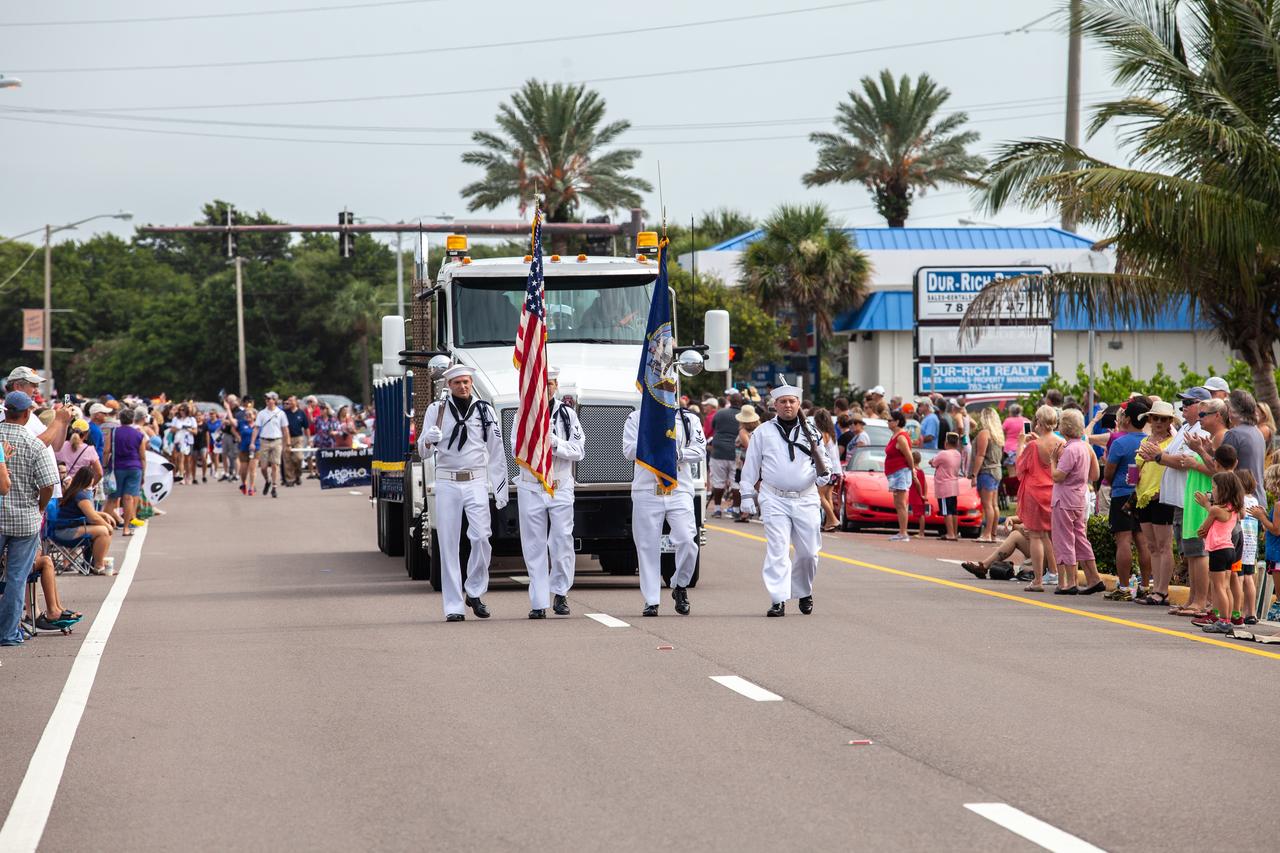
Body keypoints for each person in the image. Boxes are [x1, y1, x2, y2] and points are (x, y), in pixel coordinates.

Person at [738, 383, 840, 616]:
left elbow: (824, 464)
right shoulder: (763, 432)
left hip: (805, 498)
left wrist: (824, 475)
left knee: (808, 553)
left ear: (798, 405)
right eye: (783, 401)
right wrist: (746, 493)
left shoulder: (811, 431)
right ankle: (778, 598)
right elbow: (751, 465)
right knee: (778, 549)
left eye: (792, 401)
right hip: (774, 497)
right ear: (775, 405)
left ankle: (803, 591)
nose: (787, 405)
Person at [417, 365, 508, 621]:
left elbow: (496, 450)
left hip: (476, 480)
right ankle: (454, 605)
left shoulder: (483, 410)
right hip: (447, 480)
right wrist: (428, 439)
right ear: (449, 385)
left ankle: (475, 590)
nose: (463, 387)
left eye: (466, 382)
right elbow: (423, 452)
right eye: (457, 383)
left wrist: (500, 488)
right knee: (448, 543)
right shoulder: (437, 410)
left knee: (481, 537)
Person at [623, 398, 705, 617]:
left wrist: (676, 453)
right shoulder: (636, 418)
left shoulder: (688, 419)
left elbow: (700, 450)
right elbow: (628, 450)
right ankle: (651, 600)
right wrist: (653, 446)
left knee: (688, 540)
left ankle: (679, 585)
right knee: (647, 546)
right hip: (647, 490)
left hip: (678, 489)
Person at [517, 368, 584, 619]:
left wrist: (555, 444)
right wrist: (537, 443)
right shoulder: (523, 415)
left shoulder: (567, 415)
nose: (547, 388)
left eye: (552, 383)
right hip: (532, 484)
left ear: (557, 386)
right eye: (543, 383)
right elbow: (517, 447)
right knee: (533, 544)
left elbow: (579, 451)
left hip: (560, 485)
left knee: (562, 540)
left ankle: (560, 593)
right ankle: (538, 601)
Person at [1140, 387, 1210, 610]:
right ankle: (1193, 599)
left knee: (1196, 552)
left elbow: (1183, 460)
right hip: (1179, 500)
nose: (1184, 407)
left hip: (1191, 498)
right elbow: (1170, 455)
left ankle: (1202, 601)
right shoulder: (1186, 428)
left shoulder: (1202, 430)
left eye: (1188, 403)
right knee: (1188, 552)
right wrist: (1158, 456)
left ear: (1202, 406)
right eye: (1183, 404)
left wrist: (1158, 456)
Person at [0, 391, 55, 646]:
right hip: (24, 518)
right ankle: (8, 633)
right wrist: (40, 507)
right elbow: (47, 485)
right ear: (27, 413)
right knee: (16, 578)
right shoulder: (34, 444)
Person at [1048, 409, 1103, 595]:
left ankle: (1070, 582)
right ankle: (1094, 578)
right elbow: (1094, 475)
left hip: (1064, 499)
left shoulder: (1069, 449)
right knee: (1080, 538)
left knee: (1064, 539)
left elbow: (1057, 476)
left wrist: (1053, 461)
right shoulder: (1085, 447)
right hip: (1079, 497)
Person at [1130, 400, 1179, 606]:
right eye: (1155, 418)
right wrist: (1134, 479)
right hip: (1143, 495)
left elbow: (1175, 466)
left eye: (1163, 419)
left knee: (1163, 545)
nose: (1158, 422)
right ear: (1149, 419)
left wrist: (1161, 490)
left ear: (1170, 421)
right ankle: (1155, 588)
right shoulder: (1146, 440)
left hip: (1162, 496)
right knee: (1152, 545)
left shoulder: (1174, 441)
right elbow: (1138, 467)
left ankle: (1162, 590)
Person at [1104, 397, 1153, 600]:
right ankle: (1145, 585)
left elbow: (1107, 474)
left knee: (1123, 540)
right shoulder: (1150, 442)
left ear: (1128, 419)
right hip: (1143, 494)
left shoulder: (1120, 443)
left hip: (1121, 494)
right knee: (1143, 541)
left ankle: (1124, 587)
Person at [1016, 406, 1062, 589]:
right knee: (1050, 535)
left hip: (1035, 493)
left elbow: (1020, 467)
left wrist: (1021, 444)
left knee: (1036, 535)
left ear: (1039, 423)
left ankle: (1038, 580)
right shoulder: (1060, 442)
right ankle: (1055, 572)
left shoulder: (1033, 445)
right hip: (1054, 491)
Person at [1194, 471, 1245, 634]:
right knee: (1226, 586)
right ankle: (1228, 618)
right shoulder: (1234, 509)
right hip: (1230, 549)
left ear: (1223, 490)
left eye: (1214, 487)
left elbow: (1203, 529)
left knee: (1218, 586)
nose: (1212, 491)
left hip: (1218, 549)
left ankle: (1223, 620)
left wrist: (1205, 506)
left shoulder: (1216, 510)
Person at [51, 466, 116, 574]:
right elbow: (92, 517)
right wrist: (107, 525)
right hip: (65, 532)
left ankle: (90, 563)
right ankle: (99, 566)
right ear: (89, 479)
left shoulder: (76, 491)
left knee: (103, 528)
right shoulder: (81, 495)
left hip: (66, 528)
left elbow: (88, 512)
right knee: (104, 531)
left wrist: (104, 514)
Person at [106, 407, 147, 533]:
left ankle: (105, 525)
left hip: (117, 467)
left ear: (120, 419)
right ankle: (126, 528)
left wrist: (104, 466)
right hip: (134, 467)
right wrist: (143, 474)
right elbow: (143, 456)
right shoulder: (139, 434)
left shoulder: (113, 432)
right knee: (128, 498)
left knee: (113, 498)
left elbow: (106, 450)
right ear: (133, 419)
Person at [971, 408, 1004, 543]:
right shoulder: (998, 434)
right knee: (994, 505)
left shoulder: (985, 433)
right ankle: (993, 533)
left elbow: (980, 455)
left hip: (986, 471)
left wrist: (974, 474)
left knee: (987, 505)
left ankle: (986, 534)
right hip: (996, 470)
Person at [708, 394, 742, 519]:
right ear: (741, 402)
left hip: (719, 451)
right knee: (736, 482)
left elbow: (713, 427)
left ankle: (717, 509)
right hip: (736, 453)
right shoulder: (742, 416)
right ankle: (736, 510)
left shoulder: (720, 413)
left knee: (718, 482)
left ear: (729, 400)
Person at [254, 392, 290, 499]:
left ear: (274, 400)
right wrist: (252, 442)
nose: (268, 400)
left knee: (275, 465)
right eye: (266, 399)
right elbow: (256, 428)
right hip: (264, 441)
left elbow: (285, 429)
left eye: (269, 398)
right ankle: (267, 480)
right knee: (263, 467)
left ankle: (274, 487)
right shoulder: (261, 413)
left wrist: (287, 442)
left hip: (277, 441)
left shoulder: (280, 413)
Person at [930, 433, 964, 541]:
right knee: (953, 511)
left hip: (944, 486)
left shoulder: (943, 453)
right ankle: (954, 532)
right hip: (954, 485)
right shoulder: (958, 454)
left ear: (946, 442)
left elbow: (934, 463)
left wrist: (931, 461)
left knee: (946, 511)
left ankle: (950, 534)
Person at [813, 408, 840, 532]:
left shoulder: (822, 434)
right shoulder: (832, 433)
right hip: (836, 470)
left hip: (828, 470)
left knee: (819, 496)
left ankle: (833, 519)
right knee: (828, 496)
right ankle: (830, 523)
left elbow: (819, 450)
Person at [733, 404, 761, 523]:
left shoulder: (743, 431)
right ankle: (749, 511)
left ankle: (745, 512)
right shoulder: (760, 428)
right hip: (760, 460)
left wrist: (739, 445)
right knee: (759, 486)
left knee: (747, 485)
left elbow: (749, 446)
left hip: (747, 461)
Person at [56, 419, 103, 484]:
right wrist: (90, 486)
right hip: (78, 487)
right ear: (86, 434)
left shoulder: (60, 445)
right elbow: (99, 473)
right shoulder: (89, 450)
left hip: (61, 485)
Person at [283, 396, 310, 487]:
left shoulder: (301, 413)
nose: (289, 402)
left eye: (291, 401)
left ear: (295, 402)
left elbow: (306, 427)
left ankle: (298, 475)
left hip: (298, 438)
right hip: (286, 438)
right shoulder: (284, 413)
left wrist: (309, 439)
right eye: (288, 401)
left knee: (298, 458)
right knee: (288, 459)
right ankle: (290, 479)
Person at [236, 408, 259, 496]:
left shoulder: (258, 425)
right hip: (243, 449)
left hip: (255, 449)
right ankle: (244, 484)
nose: (248, 416)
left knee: (252, 469)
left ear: (254, 416)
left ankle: (252, 488)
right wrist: (228, 409)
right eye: (246, 414)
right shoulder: (242, 423)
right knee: (243, 470)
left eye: (250, 414)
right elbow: (232, 424)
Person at [908, 450, 928, 538]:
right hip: (921, 494)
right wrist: (925, 494)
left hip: (916, 494)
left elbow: (917, 483)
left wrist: (920, 494)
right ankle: (921, 532)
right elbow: (925, 483)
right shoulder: (921, 471)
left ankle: (921, 533)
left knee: (920, 514)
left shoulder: (913, 471)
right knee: (921, 513)